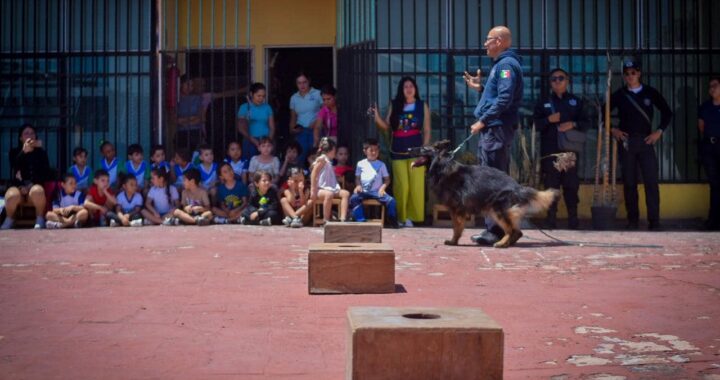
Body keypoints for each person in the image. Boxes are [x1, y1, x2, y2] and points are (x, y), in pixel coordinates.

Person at [464, 26, 524, 245]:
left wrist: (483, 120)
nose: (485, 44)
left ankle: (497, 231)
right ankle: (498, 228)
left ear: (499, 41)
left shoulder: (506, 65)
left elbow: (504, 99)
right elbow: (498, 95)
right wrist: (481, 89)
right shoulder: (502, 65)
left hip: (496, 130)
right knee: (492, 179)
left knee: (493, 181)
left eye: (488, 40)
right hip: (495, 129)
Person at [609, 59, 672, 230]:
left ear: (639, 73)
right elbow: (602, 113)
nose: (630, 76)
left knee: (651, 182)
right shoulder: (619, 94)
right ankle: (633, 221)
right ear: (623, 76)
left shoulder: (650, 93)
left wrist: (658, 132)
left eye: (633, 72)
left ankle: (654, 221)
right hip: (627, 143)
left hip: (646, 141)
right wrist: (613, 130)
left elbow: (667, 113)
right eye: (627, 73)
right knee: (630, 183)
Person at [532, 68, 591, 229]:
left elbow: (587, 123)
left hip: (569, 152)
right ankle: (551, 219)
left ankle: (573, 218)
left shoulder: (575, 101)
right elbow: (534, 125)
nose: (557, 81)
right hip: (550, 151)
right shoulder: (543, 102)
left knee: (571, 185)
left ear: (567, 81)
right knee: (551, 186)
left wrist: (573, 124)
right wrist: (548, 119)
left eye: (561, 78)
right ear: (550, 83)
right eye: (554, 79)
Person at [371, 76, 431, 227]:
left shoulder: (422, 105)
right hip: (397, 150)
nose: (409, 89)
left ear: (415, 89)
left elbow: (427, 129)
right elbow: (385, 126)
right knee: (401, 186)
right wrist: (376, 115)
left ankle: (415, 218)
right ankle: (402, 218)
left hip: (416, 152)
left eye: (411, 86)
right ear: (401, 90)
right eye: (406, 87)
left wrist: (424, 150)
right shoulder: (395, 104)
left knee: (416, 186)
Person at [1, 124, 51, 230]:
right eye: (26, 133)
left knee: (38, 191)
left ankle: (40, 218)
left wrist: (31, 184)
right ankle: (10, 218)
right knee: (11, 196)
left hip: (34, 186)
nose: (30, 135)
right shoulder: (14, 152)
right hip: (19, 186)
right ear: (21, 137)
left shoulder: (41, 153)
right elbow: (14, 167)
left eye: (32, 133)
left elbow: (45, 172)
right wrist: (24, 152)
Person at [349, 138, 399, 228]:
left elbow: (387, 179)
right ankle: (361, 220)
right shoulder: (360, 164)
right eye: (371, 150)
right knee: (353, 198)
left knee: (391, 201)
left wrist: (382, 188)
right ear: (365, 151)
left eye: (376, 150)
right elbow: (357, 178)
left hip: (377, 192)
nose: (374, 153)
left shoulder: (381, 164)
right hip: (364, 191)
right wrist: (358, 185)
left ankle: (393, 221)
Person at [310, 137, 350, 224]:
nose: (335, 153)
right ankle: (326, 220)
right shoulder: (322, 159)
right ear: (331, 150)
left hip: (330, 187)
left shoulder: (328, 161)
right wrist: (313, 189)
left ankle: (342, 218)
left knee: (345, 194)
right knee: (329, 194)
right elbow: (314, 173)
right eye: (335, 150)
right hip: (320, 189)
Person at [698, 76, 720, 230]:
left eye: (715, 85)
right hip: (709, 147)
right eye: (710, 86)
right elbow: (701, 127)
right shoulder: (705, 106)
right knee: (714, 184)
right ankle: (713, 220)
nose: (711, 88)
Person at [237, 82, 276, 161]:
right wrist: (253, 140)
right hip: (250, 141)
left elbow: (272, 127)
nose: (261, 98)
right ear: (251, 94)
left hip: (265, 140)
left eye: (263, 96)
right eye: (258, 96)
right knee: (250, 165)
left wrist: (267, 143)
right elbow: (240, 127)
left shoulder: (267, 107)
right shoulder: (244, 107)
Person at [289, 72, 323, 163]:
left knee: (315, 156)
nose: (302, 85)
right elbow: (293, 117)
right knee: (300, 156)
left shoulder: (318, 93)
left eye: (304, 82)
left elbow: (325, 111)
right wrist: (292, 129)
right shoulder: (294, 98)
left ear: (309, 81)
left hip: (315, 130)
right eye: (299, 83)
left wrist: (316, 122)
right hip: (301, 131)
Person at [175, 75, 206, 151]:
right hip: (181, 133)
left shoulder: (198, 98)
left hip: (195, 133)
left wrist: (183, 120)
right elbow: (175, 120)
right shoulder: (176, 100)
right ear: (181, 84)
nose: (189, 87)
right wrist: (192, 118)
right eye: (187, 84)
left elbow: (202, 118)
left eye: (191, 85)